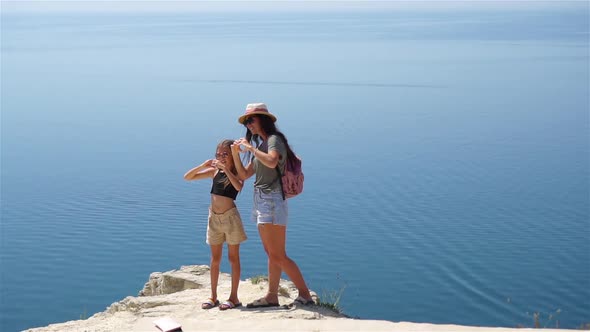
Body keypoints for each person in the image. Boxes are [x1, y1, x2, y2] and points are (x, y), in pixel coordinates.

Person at [231, 103, 314, 308]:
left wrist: (249, 148)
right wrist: (235, 153)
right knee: (272, 253)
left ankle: (305, 294)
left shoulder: (274, 141)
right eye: (246, 121)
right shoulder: (261, 145)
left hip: (272, 200)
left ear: (263, 119)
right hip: (261, 199)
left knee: (278, 254)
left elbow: (272, 161)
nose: (248, 124)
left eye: (251, 119)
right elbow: (243, 175)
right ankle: (272, 296)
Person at [183, 139, 247, 310]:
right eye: (218, 154)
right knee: (215, 259)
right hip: (214, 218)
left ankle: (234, 298)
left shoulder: (238, 172)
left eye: (225, 154)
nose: (221, 157)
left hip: (230, 218)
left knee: (233, 258)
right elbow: (188, 177)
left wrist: (226, 169)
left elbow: (238, 187)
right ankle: (213, 296)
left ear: (233, 155)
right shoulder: (214, 172)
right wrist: (202, 165)